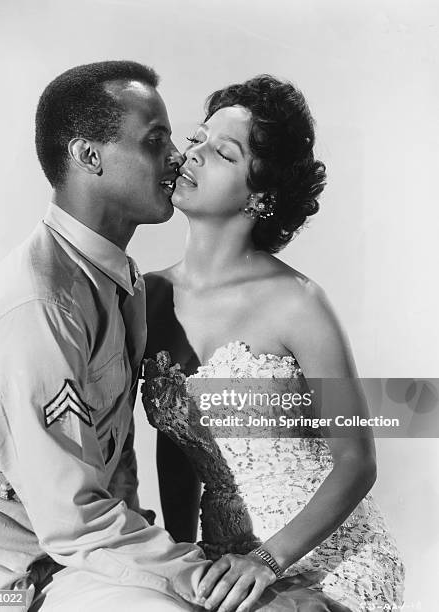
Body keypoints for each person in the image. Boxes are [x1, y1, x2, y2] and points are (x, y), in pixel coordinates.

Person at [0, 61, 351, 612]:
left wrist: (255, 566)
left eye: (217, 149)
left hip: (121, 554)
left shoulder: (130, 284)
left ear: (259, 193)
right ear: (89, 156)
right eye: (161, 139)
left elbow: (369, 436)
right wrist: (216, 581)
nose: (179, 157)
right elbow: (77, 517)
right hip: (2, 581)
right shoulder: (42, 306)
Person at [142, 75, 405, 612]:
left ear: (260, 194)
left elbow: (356, 460)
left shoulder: (299, 303)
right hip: (222, 558)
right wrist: (182, 552)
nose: (192, 155)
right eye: (198, 138)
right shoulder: (147, 295)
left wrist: (267, 561)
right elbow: (176, 443)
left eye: (223, 153)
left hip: (325, 557)